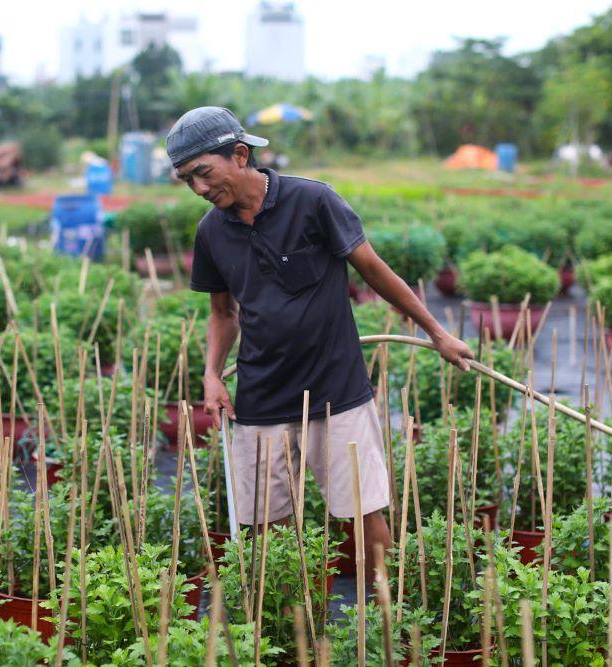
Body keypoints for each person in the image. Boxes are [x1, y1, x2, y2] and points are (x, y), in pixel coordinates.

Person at [166, 106, 474, 581]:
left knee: (365, 510)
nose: (200, 189)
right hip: (261, 395)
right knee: (269, 526)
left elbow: (373, 270)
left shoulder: (312, 201)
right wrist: (211, 373)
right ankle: (297, 633)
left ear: (241, 155)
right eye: (188, 180)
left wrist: (438, 333)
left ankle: (390, 623)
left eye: (204, 173)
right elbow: (222, 313)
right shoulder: (211, 233)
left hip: (337, 389)